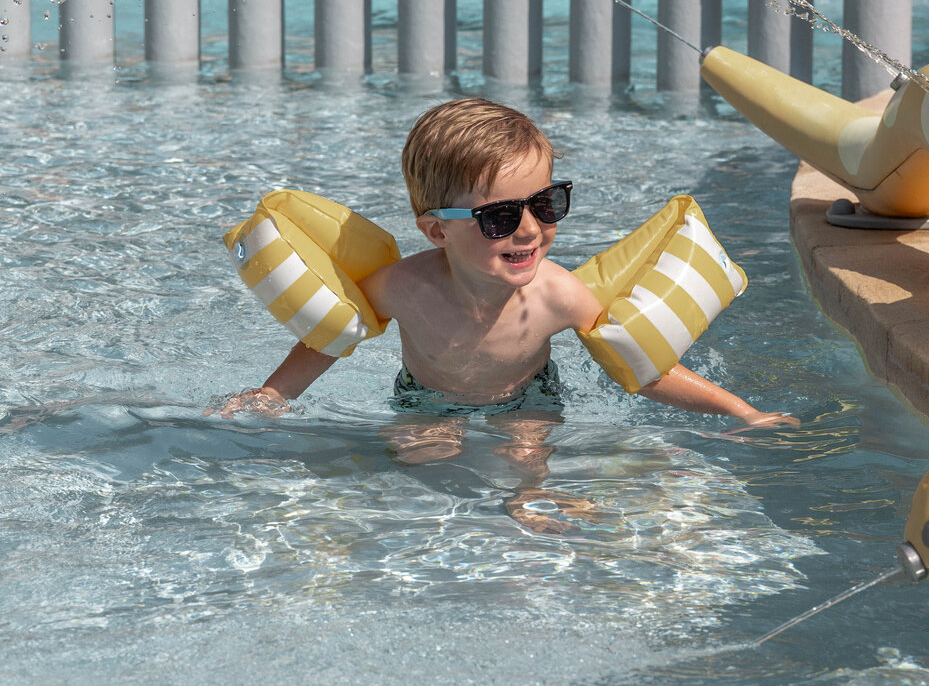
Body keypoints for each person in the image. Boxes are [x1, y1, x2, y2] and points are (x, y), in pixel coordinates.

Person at [217, 98, 797, 530]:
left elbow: (642, 366)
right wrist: (272, 395)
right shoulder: (401, 287)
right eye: (498, 217)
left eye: (546, 204)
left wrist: (741, 412)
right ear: (437, 231)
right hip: (425, 398)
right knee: (423, 463)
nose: (529, 229)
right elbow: (327, 338)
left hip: (527, 397)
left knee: (526, 455)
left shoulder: (558, 294)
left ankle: (529, 497)